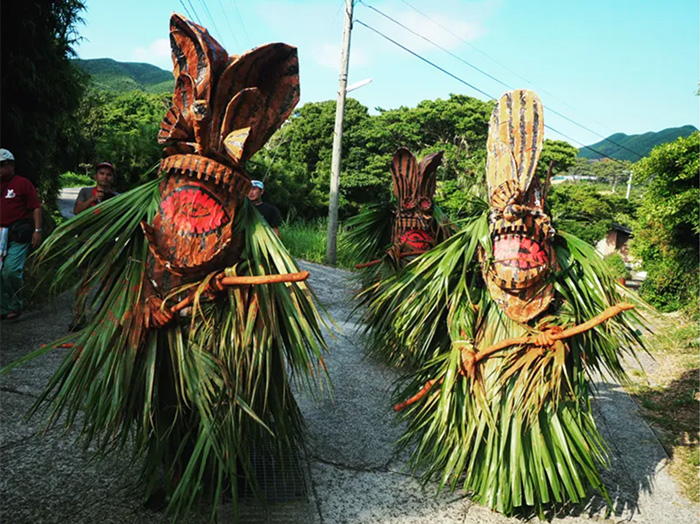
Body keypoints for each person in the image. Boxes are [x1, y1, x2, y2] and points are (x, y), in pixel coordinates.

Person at [0, 148, 42, 320]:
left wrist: (37, 230)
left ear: (12, 166)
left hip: (18, 234)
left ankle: (15, 304)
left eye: (3, 165)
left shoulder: (23, 184)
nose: (0, 168)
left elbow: (36, 207)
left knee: (10, 271)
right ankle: (2, 308)